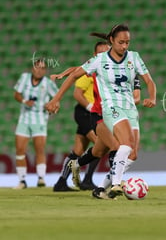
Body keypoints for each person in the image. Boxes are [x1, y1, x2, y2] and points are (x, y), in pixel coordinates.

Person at [45, 23, 156, 199]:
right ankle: (114, 184)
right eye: (121, 42)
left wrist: (150, 98)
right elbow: (75, 72)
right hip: (100, 111)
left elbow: (145, 84)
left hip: (124, 111)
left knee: (104, 152)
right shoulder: (99, 63)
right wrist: (58, 89)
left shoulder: (131, 61)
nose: (124, 46)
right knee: (119, 146)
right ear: (112, 41)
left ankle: (87, 176)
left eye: (127, 42)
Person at [52, 41, 110, 191]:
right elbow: (77, 93)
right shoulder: (91, 72)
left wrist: (62, 73)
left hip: (92, 113)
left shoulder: (106, 70)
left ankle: (61, 182)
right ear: (94, 55)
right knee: (101, 144)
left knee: (78, 150)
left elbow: (74, 68)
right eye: (100, 52)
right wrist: (91, 106)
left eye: (106, 51)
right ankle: (87, 180)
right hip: (86, 113)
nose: (104, 55)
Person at [13, 58, 59, 189]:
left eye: (43, 68)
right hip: (24, 118)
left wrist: (53, 107)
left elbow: (57, 97)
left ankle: (41, 179)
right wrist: (24, 101)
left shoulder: (48, 83)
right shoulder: (24, 78)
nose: (39, 71)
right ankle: (22, 181)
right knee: (20, 150)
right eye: (37, 67)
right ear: (32, 68)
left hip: (40, 119)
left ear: (45, 71)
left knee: (39, 149)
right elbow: (16, 94)